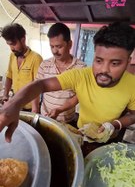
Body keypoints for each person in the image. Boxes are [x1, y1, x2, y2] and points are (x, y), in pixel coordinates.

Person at [0, 22, 135, 153]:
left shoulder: (132, 85)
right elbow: (41, 84)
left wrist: (114, 124)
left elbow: (133, 115)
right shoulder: (81, 75)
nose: (104, 70)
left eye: (115, 63)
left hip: (109, 140)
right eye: (98, 61)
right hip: (82, 135)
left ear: (128, 61)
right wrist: (14, 104)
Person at [34, 23, 86, 124]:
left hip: (67, 122)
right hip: (44, 118)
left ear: (70, 44)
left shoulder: (81, 68)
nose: (54, 51)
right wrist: (35, 110)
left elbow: (79, 95)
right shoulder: (45, 64)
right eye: (52, 46)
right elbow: (36, 89)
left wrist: (60, 110)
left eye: (58, 46)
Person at [1, 23, 43, 111]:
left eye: (13, 44)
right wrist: (5, 95)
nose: (12, 48)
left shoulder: (36, 59)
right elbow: (9, 76)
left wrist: (34, 110)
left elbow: (37, 86)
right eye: (9, 45)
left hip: (30, 107)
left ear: (23, 39)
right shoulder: (12, 56)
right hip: (16, 104)